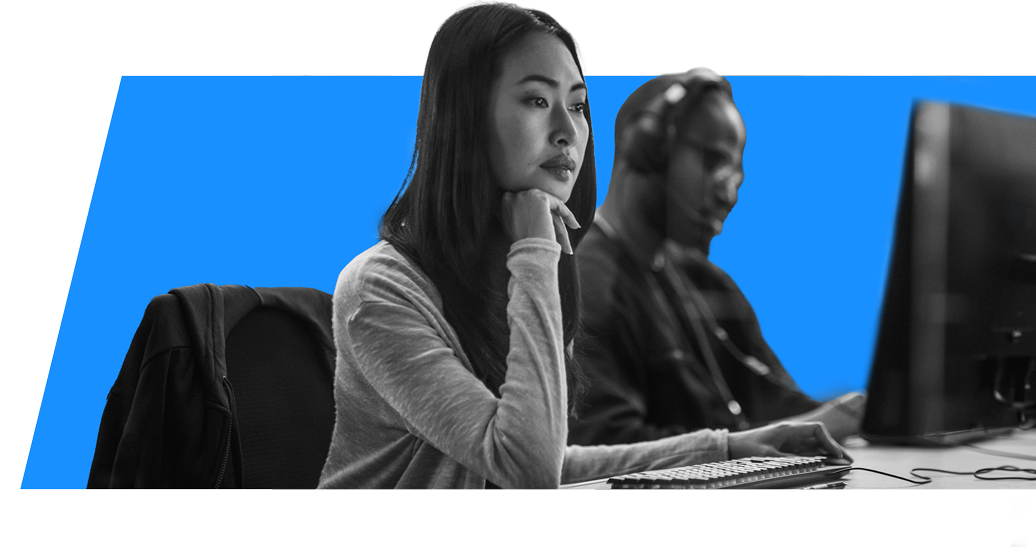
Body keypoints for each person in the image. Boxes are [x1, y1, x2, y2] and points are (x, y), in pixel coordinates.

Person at [297, 4, 847, 546]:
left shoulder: (522, 271)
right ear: (464, 116)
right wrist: (536, 248)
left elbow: (550, 458)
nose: (568, 131)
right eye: (537, 100)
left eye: (579, 106)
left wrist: (729, 449)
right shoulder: (380, 289)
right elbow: (527, 468)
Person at [569, 67, 865, 448]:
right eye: (713, 162)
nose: (728, 194)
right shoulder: (588, 283)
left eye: (735, 173)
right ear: (646, 148)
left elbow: (773, 399)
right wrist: (745, 445)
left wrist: (862, 414)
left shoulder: (701, 279)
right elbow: (606, 445)